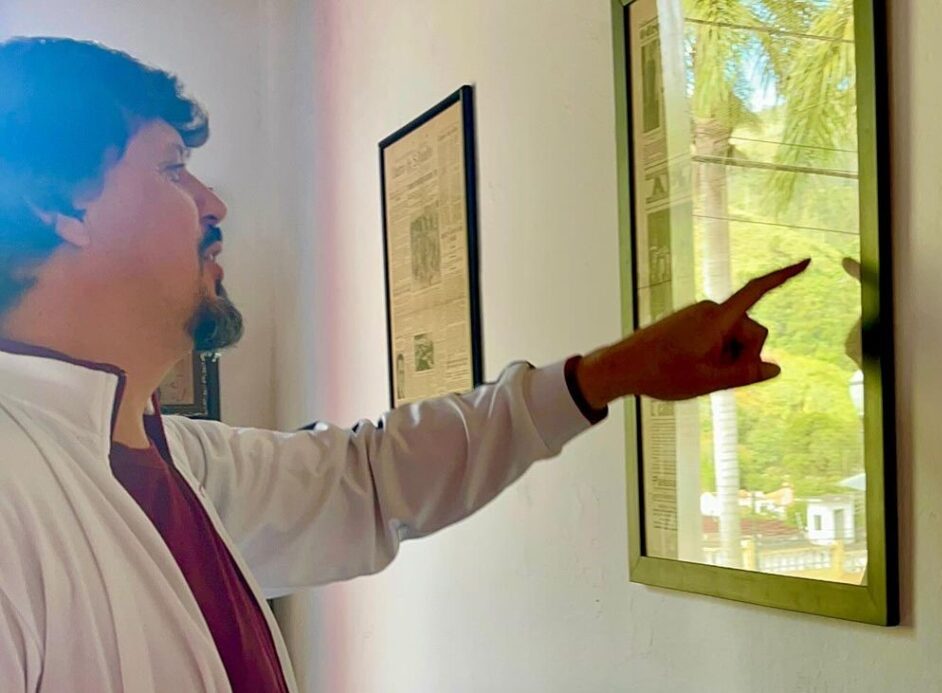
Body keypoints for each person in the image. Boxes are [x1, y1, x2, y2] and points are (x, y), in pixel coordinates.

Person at [0, 37, 809, 692]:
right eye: (173, 167)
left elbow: (374, 475)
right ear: (60, 203)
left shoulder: (171, 458)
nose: (213, 203)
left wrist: (615, 372)